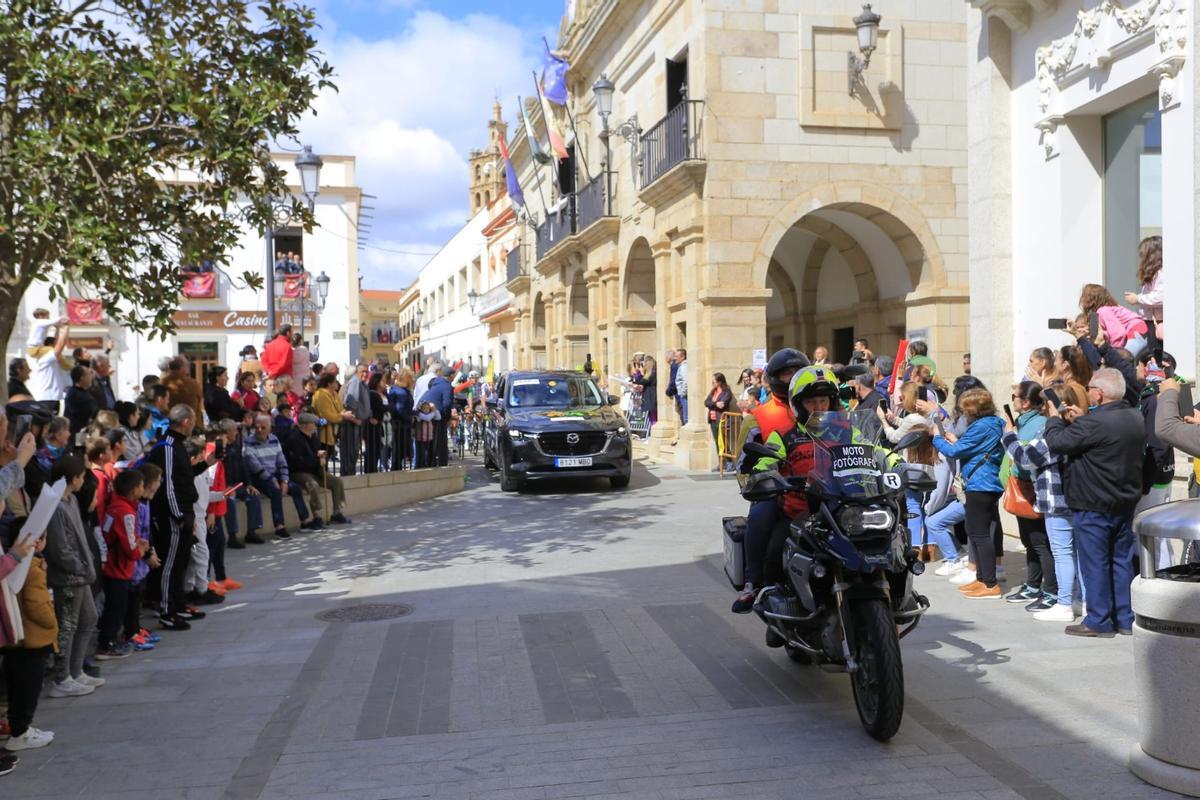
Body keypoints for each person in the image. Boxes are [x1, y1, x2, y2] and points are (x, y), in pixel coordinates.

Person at [1044, 368, 1145, 637]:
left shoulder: (1095, 423)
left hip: (1093, 503)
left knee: (1095, 563)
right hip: (1123, 501)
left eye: (1090, 388)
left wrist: (1054, 419)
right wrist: (1082, 420)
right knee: (1121, 561)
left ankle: (1099, 620)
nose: (1088, 392)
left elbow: (1058, 442)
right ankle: (1124, 618)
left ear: (1099, 394)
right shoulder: (1134, 417)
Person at [730, 349, 812, 613]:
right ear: (775, 379)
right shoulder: (759, 416)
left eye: (796, 373)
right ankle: (754, 582)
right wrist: (763, 485)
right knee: (760, 517)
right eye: (785, 374)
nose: (790, 378)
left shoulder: (822, 406)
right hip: (779, 490)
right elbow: (743, 464)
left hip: (821, 487)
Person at [1001, 393, 1078, 623]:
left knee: (1062, 553)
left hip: (1057, 500)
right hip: (1077, 498)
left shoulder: (1054, 431)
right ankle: (1079, 599)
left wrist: (1009, 437)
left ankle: (1063, 602)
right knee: (1075, 554)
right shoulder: (1080, 426)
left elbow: (1026, 459)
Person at [932, 388, 1005, 599]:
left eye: (966, 409)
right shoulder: (990, 424)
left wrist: (938, 439)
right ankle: (981, 579)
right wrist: (957, 440)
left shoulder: (982, 425)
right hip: (983, 483)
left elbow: (955, 452)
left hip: (981, 484)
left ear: (975, 409)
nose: (964, 413)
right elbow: (969, 447)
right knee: (975, 531)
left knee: (980, 534)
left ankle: (990, 585)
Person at [147, 404, 213, 631]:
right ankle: (167, 611)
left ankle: (179, 604)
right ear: (185, 421)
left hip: (185, 512)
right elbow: (168, 486)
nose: (195, 423)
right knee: (170, 565)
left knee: (181, 563)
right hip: (173, 516)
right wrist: (178, 515)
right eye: (193, 419)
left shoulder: (178, 447)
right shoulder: (166, 447)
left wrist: (206, 464)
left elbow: (184, 477)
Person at [42, 454, 102, 693]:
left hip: (82, 575)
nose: (83, 481)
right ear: (72, 478)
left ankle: (76, 671)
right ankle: (62, 677)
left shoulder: (72, 501)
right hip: (68, 576)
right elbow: (59, 549)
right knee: (67, 626)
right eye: (81, 476)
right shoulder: (55, 507)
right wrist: (80, 566)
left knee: (88, 619)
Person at [1002, 382, 1057, 610]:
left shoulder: (1040, 424)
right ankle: (1033, 585)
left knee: (1040, 542)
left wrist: (1009, 437)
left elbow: (1027, 459)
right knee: (1028, 541)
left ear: (1025, 402)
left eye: (1014, 396)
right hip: (1021, 487)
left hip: (1034, 489)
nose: (1012, 400)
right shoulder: (1023, 422)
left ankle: (1051, 591)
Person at [3, 528, 58, 752]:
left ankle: (19, 728)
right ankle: (20, 732)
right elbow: (37, 606)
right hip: (33, 638)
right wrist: (53, 623)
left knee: (17, 685)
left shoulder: (22, 566)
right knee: (28, 688)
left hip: (15, 637)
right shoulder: (31, 570)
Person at [97, 469, 149, 658]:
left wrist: (136, 540)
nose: (143, 489)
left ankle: (109, 640)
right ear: (134, 489)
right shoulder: (126, 512)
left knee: (113, 606)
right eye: (142, 485)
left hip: (111, 565)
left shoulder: (115, 506)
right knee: (116, 609)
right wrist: (140, 549)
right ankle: (106, 644)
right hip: (118, 569)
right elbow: (130, 549)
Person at [243, 414, 317, 538]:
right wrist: (272, 480)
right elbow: (255, 465)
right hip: (259, 477)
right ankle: (279, 527)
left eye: (263, 427)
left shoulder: (274, 439)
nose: (259, 430)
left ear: (270, 428)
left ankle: (305, 521)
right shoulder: (249, 442)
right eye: (257, 427)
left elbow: (282, 461)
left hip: (275, 475)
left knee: (295, 488)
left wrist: (284, 480)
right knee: (275, 491)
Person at [284, 413, 351, 525]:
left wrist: (321, 458)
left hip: (314, 469)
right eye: (313, 423)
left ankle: (337, 512)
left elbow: (316, 453)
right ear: (305, 425)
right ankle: (317, 516)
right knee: (313, 485)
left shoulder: (313, 436)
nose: (316, 425)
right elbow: (299, 461)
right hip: (299, 472)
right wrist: (316, 457)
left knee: (337, 481)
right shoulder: (294, 438)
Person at [217, 418, 263, 547]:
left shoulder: (237, 445)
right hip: (225, 487)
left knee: (253, 496)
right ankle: (232, 535)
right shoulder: (219, 447)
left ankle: (252, 531)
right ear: (226, 432)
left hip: (237, 484)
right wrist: (223, 487)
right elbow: (216, 470)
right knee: (230, 501)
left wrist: (248, 484)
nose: (237, 432)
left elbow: (243, 466)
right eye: (234, 430)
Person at [1078, 283, 1148, 357]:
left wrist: (1114, 353)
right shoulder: (1105, 310)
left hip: (1135, 331)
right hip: (1137, 330)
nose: (1082, 300)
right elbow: (1110, 333)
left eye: (1084, 297)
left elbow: (1118, 334)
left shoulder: (1103, 311)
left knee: (1123, 360)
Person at [1124, 235, 1163, 347]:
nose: (1141, 258)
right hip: (1151, 322)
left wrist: (1138, 298)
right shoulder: (1154, 274)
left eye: (1143, 254)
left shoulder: (1161, 274)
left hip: (1158, 323)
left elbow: (1160, 297)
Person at [28, 319, 71, 406]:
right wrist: (66, 327)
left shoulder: (50, 357)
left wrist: (57, 329)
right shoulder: (46, 358)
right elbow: (60, 344)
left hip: (53, 397)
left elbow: (57, 342)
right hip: (47, 398)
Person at [341, 364, 371, 475]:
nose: (365, 374)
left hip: (359, 423)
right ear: (356, 372)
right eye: (362, 371)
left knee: (354, 451)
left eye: (367, 371)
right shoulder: (355, 381)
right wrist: (355, 419)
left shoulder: (363, 384)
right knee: (350, 452)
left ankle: (350, 473)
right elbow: (350, 402)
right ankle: (349, 475)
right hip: (353, 423)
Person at [160, 355, 204, 421]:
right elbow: (199, 402)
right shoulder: (193, 384)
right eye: (187, 365)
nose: (189, 367)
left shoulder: (163, 383)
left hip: (171, 422)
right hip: (191, 422)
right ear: (182, 368)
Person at [704, 372, 733, 468]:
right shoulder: (713, 391)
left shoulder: (726, 392)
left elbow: (723, 404)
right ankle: (721, 463)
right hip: (712, 420)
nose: (713, 383)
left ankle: (729, 462)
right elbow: (706, 402)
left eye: (714, 381)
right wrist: (715, 404)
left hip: (721, 419)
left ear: (720, 382)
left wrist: (713, 404)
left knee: (724, 441)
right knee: (717, 442)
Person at [63, 364, 99, 441]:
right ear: (82, 378)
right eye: (89, 374)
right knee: (79, 451)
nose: (91, 377)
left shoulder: (78, 392)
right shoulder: (76, 395)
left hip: (81, 432)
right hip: (79, 434)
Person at [389, 369, 415, 470]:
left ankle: (396, 467)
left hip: (399, 423)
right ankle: (396, 468)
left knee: (398, 449)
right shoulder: (401, 392)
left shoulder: (395, 389)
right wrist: (410, 418)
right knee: (399, 449)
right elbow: (400, 409)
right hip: (401, 424)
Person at [630, 356, 658, 428]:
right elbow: (639, 381)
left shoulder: (653, 373)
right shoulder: (649, 374)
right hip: (648, 397)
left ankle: (654, 431)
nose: (643, 366)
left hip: (651, 397)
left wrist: (639, 373)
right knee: (650, 416)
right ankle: (652, 431)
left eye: (644, 364)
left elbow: (641, 381)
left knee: (653, 417)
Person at [674, 349, 689, 425]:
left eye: (676, 356)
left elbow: (686, 381)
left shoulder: (683, 367)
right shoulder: (681, 366)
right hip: (683, 395)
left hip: (684, 396)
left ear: (682, 357)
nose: (675, 358)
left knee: (686, 418)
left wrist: (683, 394)